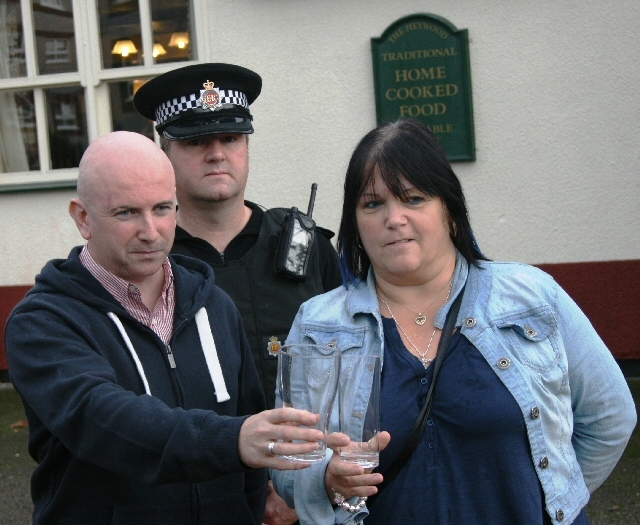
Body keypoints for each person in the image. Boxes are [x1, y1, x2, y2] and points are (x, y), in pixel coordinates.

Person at [271, 118, 637, 525]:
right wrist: (327, 480)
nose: (393, 218)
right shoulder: (319, 324)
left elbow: (610, 417)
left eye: (413, 198)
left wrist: (550, 505)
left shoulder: (532, 297)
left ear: (449, 208)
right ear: (354, 222)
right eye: (373, 203)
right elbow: (289, 463)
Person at [5, 131, 326, 525]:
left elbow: (251, 430)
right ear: (83, 217)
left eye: (162, 208)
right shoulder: (42, 323)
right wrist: (234, 440)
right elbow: (105, 422)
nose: (150, 230)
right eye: (126, 213)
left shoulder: (214, 305)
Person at [133, 62, 343, 525]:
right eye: (194, 142)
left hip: (313, 492)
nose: (216, 154)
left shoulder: (307, 251)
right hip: (197, 500)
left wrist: (302, 488)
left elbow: (353, 374)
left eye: (230, 138)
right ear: (164, 151)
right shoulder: (147, 263)